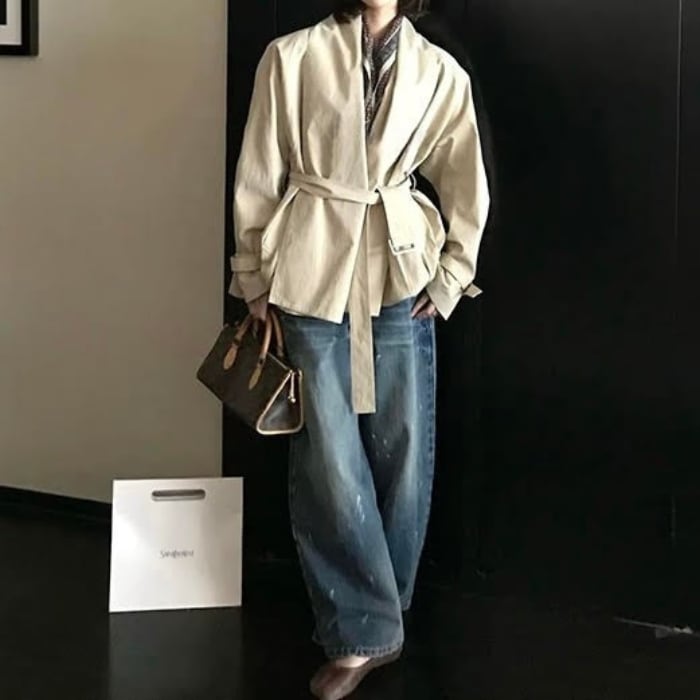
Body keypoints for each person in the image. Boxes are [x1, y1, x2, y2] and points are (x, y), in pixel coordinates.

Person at [230, 1, 490, 698]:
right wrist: (253, 278)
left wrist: (452, 273)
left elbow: (464, 175)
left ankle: (384, 614)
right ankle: (361, 630)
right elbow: (259, 170)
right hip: (311, 267)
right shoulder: (291, 57)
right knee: (329, 455)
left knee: (402, 449)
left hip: (398, 267)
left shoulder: (439, 71)